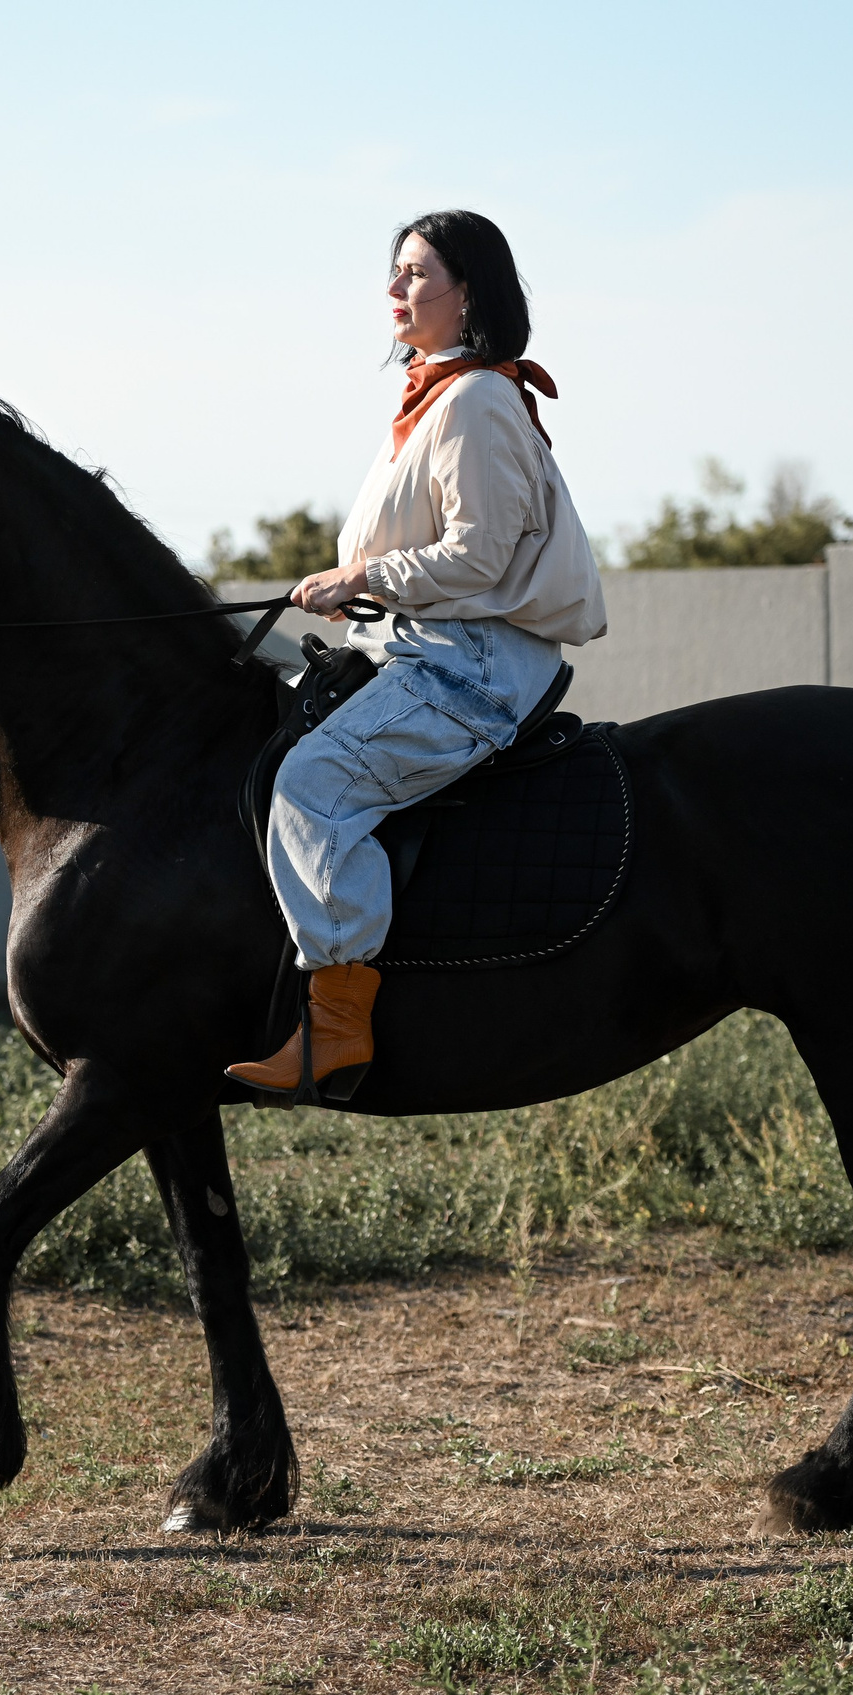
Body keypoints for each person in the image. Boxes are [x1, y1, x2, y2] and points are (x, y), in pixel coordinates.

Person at [225, 210, 608, 1098]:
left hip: (468, 665)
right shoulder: (437, 397)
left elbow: (479, 554)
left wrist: (361, 572)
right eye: (393, 273)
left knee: (312, 786)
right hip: (427, 647)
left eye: (416, 274)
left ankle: (337, 1027)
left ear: (468, 291)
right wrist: (360, 584)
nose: (396, 291)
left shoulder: (475, 400)